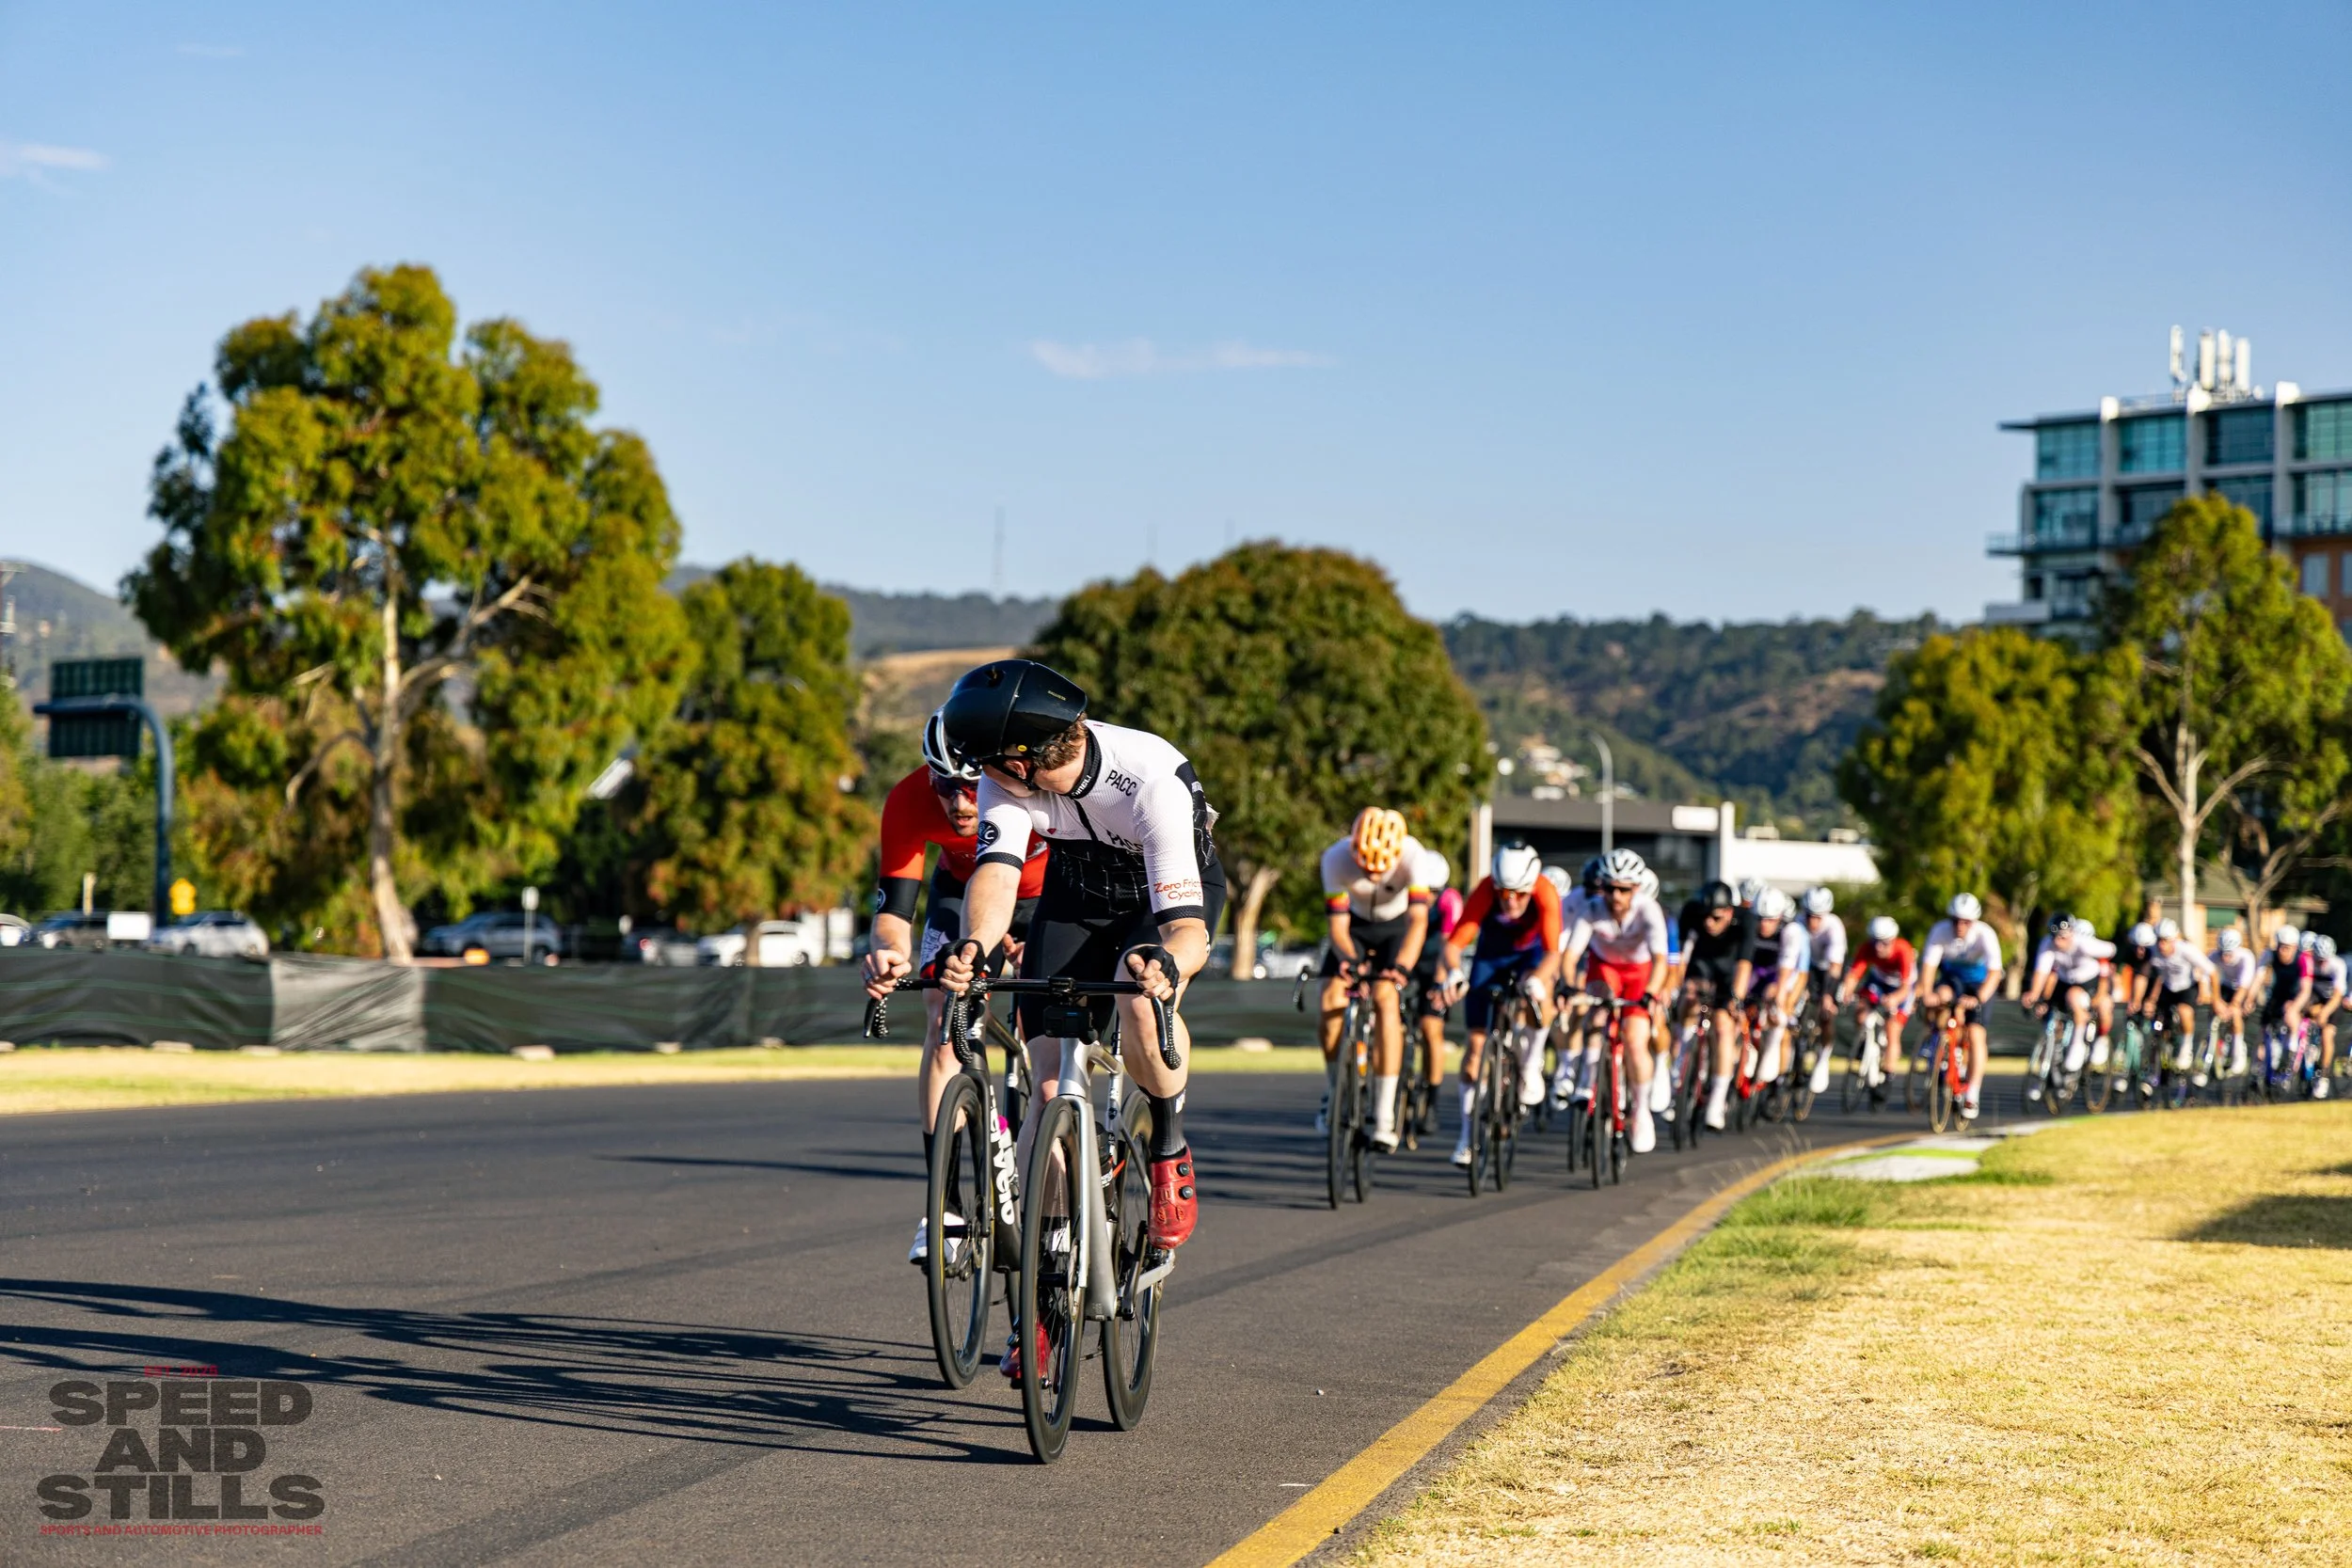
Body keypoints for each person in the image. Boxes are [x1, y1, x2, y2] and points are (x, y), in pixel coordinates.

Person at [930, 659, 1224, 1384]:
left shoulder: (1147, 775)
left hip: (1158, 899)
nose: (983, 777)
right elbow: (996, 875)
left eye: (990, 763)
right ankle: (1040, 1298)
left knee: (1137, 988)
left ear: (1023, 758)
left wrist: (1167, 965)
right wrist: (977, 942)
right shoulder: (1011, 780)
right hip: (1075, 890)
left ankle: (1169, 1142)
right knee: (1050, 1074)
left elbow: (1188, 930)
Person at [862, 711, 1050, 1267]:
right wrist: (888, 952)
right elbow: (894, 910)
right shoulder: (906, 799)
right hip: (964, 892)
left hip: (1049, 895)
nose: (961, 804)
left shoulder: (1033, 789)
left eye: (972, 788)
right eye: (946, 786)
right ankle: (942, 1207)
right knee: (944, 1014)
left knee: (1047, 1030)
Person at [1314, 807, 1435, 1149]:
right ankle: (1335, 1088)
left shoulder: (1414, 856)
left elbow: (1418, 923)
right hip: (1354, 927)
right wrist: (1351, 962)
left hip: (1395, 929)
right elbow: (1337, 927)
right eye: (1365, 866)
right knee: (1329, 999)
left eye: (1379, 868)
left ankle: (1383, 1114)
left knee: (1386, 1000)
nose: (1371, 875)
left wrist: (1402, 968)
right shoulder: (1335, 859)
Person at [1437, 842, 1564, 1167]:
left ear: (1532, 886)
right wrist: (1452, 973)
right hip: (1491, 958)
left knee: (1540, 995)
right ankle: (1466, 1138)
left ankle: (1531, 1064)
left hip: (1530, 956)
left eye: (1520, 894)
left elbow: (1552, 953)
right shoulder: (1484, 891)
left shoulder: (1546, 893)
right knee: (1474, 1052)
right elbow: (1455, 944)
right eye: (1504, 892)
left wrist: (1537, 978)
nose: (1510, 901)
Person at [1558, 848, 1673, 1152]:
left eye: (1624, 889)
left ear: (1636, 888)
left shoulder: (1648, 910)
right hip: (1605, 968)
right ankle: (1588, 1079)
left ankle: (1641, 1110)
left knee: (1635, 1039)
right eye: (1610, 888)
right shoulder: (1593, 909)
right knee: (1596, 1016)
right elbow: (1570, 956)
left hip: (1638, 972)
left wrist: (1650, 993)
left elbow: (1661, 961)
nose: (1616, 896)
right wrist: (1568, 985)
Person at [1726, 887, 1810, 1122]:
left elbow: (1789, 972)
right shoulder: (1747, 926)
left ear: (1780, 919)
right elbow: (1739, 964)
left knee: (1779, 1017)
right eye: (1760, 919)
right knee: (1734, 1011)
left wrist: (1781, 998)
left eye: (1770, 920)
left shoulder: (1792, 932)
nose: (1764, 925)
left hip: (1785, 974)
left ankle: (1776, 1075)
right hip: (1754, 969)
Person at [1918, 893, 2004, 1121]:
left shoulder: (1985, 934)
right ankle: (1936, 1041)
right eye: (1955, 920)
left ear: (1974, 922)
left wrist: (1980, 998)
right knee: (1939, 996)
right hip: (1952, 980)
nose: (1959, 926)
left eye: (1966, 922)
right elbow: (1928, 966)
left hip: (1979, 984)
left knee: (1976, 1034)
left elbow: (1995, 972)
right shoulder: (1940, 931)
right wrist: (1927, 993)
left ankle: (1972, 1093)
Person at [1672, 880, 1745, 1126]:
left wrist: (1737, 998)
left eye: (1715, 918)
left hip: (1726, 975)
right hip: (1699, 968)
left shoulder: (1745, 922)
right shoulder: (1691, 912)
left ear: (1729, 913)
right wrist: (1678, 987)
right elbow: (1681, 957)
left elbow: (1745, 966)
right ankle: (1682, 1057)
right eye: (1705, 917)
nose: (1708, 923)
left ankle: (1717, 1101)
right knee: (1688, 1001)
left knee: (1723, 1027)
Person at [2019, 911, 2114, 1091]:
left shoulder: (2084, 944)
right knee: (2051, 1013)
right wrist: (2034, 994)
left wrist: (2100, 995)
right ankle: (2051, 1058)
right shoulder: (2048, 945)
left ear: (2071, 933)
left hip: (2088, 981)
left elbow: (2110, 952)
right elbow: (2043, 971)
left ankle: (2081, 1048)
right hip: (2065, 981)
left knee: (2081, 1000)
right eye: (2055, 937)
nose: (2058, 942)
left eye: (2062, 937)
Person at [1405, 853, 1461, 1133]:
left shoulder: (1450, 902)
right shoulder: (1405, 896)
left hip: (1433, 966)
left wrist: (1440, 983)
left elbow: (1448, 946)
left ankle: (1432, 1100)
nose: (1427, 897)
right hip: (1405, 961)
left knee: (1431, 1029)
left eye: (1433, 892)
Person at [1837, 915, 1916, 1101]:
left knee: (1892, 1029)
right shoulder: (1867, 948)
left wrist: (1894, 999)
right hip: (1879, 981)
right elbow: (1854, 975)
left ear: (1892, 940)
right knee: (1861, 1009)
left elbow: (1906, 987)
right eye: (1875, 942)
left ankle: (1888, 1076)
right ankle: (1864, 1044)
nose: (1879, 947)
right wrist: (1846, 992)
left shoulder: (1903, 950)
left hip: (1901, 988)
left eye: (1884, 943)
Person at [2142, 919, 2215, 1078]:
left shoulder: (2186, 950)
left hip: (2186, 988)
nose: (2162, 945)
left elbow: (2210, 971)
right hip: (2168, 988)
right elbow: (2153, 976)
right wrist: (2150, 999)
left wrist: (2214, 998)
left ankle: (2186, 1047)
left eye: (2166, 941)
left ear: (2173, 940)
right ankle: (2153, 1066)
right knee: (2157, 1026)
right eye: (2159, 940)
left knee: (2184, 1011)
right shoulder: (2152, 951)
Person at [1801, 887, 1848, 1096]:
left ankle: (1824, 1054)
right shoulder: (1797, 921)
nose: (1813, 922)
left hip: (1828, 970)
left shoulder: (1834, 927)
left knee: (1826, 1013)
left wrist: (1828, 995)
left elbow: (1835, 967)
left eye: (1817, 917)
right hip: (1805, 967)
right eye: (1809, 916)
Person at [2253, 924, 2312, 1084]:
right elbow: (2258, 978)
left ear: (2294, 947)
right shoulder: (2269, 955)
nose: (2282, 952)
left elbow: (2305, 990)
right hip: (2278, 994)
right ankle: (2261, 1067)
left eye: (2287, 948)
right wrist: (2249, 998)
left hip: (2297, 995)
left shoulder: (2303, 959)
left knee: (2291, 1018)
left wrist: (2294, 1008)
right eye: (2280, 947)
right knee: (2264, 1025)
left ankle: (2291, 1054)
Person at [2209, 926, 2257, 1080]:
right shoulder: (2213, 956)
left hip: (2243, 988)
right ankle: (2216, 1051)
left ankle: (2238, 1054)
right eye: (2223, 953)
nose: (2225, 957)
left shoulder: (2246, 957)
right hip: (2225, 986)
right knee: (2214, 1013)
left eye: (2229, 953)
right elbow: (2207, 980)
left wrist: (2233, 1006)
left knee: (2235, 1013)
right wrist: (2217, 1002)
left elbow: (2244, 987)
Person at [2305, 932, 2343, 1098]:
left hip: (2331, 1004)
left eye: (2324, 960)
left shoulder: (2337, 965)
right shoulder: (2308, 963)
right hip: (2313, 1001)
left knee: (2327, 1035)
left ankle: (2324, 1076)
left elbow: (2337, 996)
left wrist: (2325, 1012)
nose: (2321, 963)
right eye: (2319, 959)